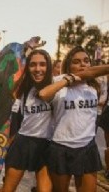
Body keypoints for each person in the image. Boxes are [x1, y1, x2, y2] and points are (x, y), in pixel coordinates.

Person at [38, 46, 109, 192]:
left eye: (86, 61)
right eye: (76, 62)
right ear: (69, 65)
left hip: (87, 147)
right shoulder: (58, 82)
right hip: (61, 148)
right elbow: (44, 95)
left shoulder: (94, 85)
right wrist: (68, 79)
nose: (82, 64)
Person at [2, 49, 53, 192]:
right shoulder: (24, 88)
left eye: (42, 64)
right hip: (23, 143)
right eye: (33, 65)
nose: (38, 69)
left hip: (46, 146)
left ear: (49, 66)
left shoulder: (57, 85)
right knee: (8, 189)